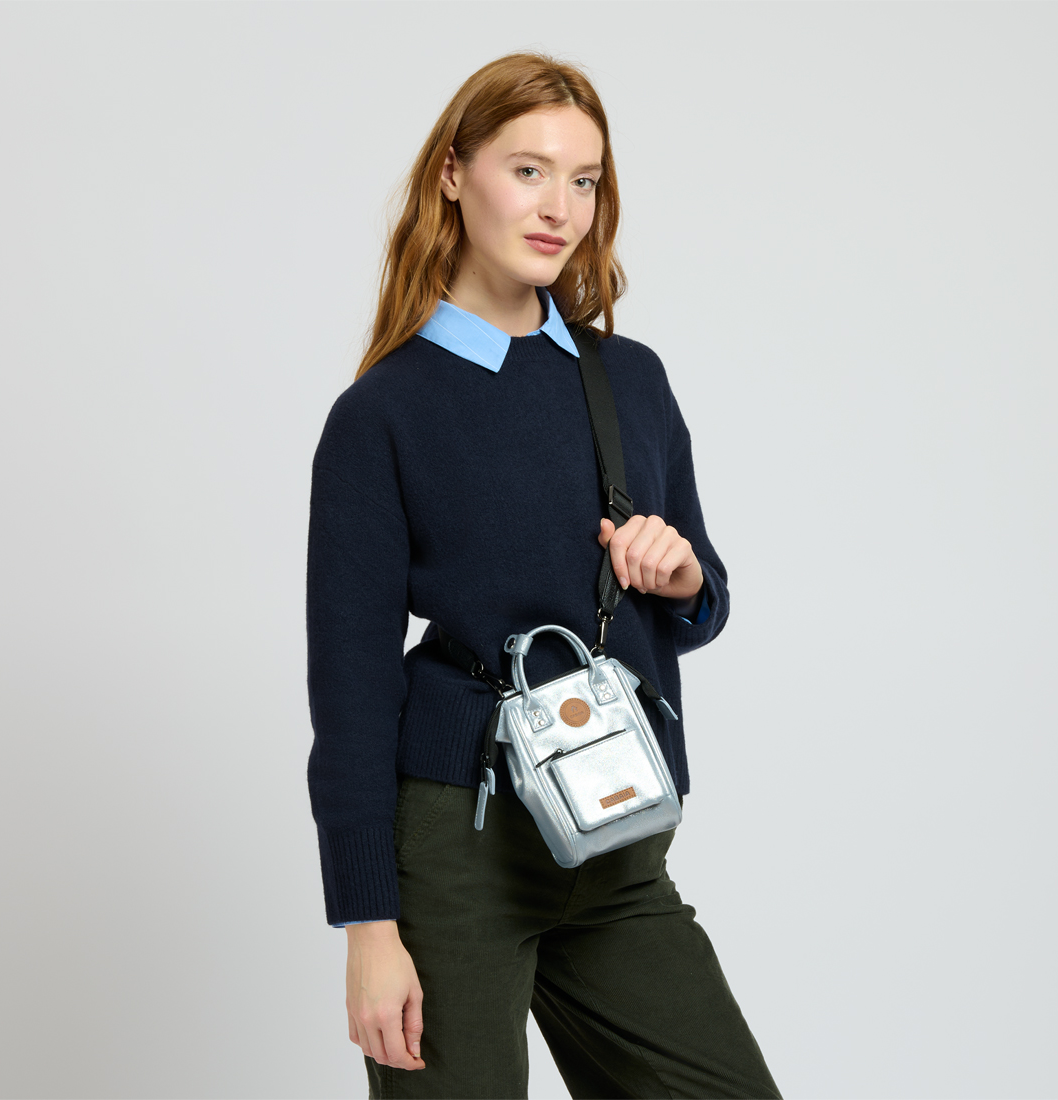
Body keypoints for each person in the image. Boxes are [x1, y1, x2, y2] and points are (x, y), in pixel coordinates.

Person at [305, 50, 783, 1100]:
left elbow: (703, 598)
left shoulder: (630, 378)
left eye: (584, 179)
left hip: (614, 831)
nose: (558, 207)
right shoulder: (383, 413)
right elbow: (350, 689)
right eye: (527, 171)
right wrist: (368, 925)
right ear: (453, 172)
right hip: (458, 849)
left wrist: (681, 575)